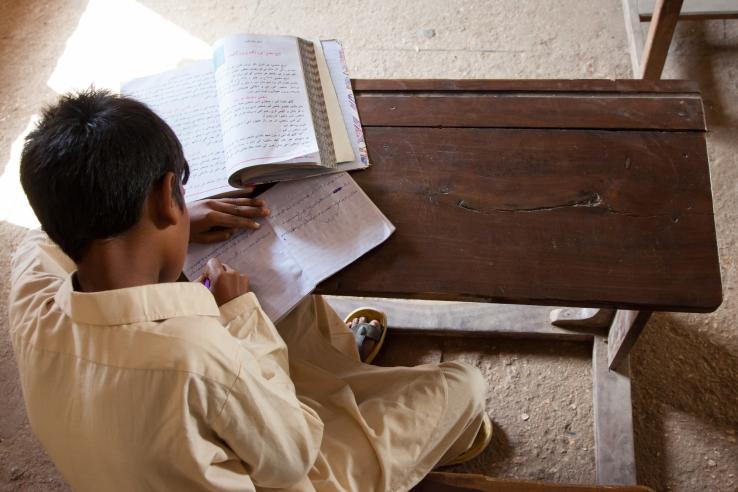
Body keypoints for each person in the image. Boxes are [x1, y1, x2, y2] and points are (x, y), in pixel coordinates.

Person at [9, 88, 492, 491]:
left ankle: (333, 370)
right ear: (166, 196)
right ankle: (453, 439)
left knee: (293, 308)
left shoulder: (30, 294)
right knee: (462, 386)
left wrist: (170, 218)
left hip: (139, 459)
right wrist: (239, 315)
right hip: (285, 474)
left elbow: (39, 239)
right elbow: (292, 457)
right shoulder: (197, 356)